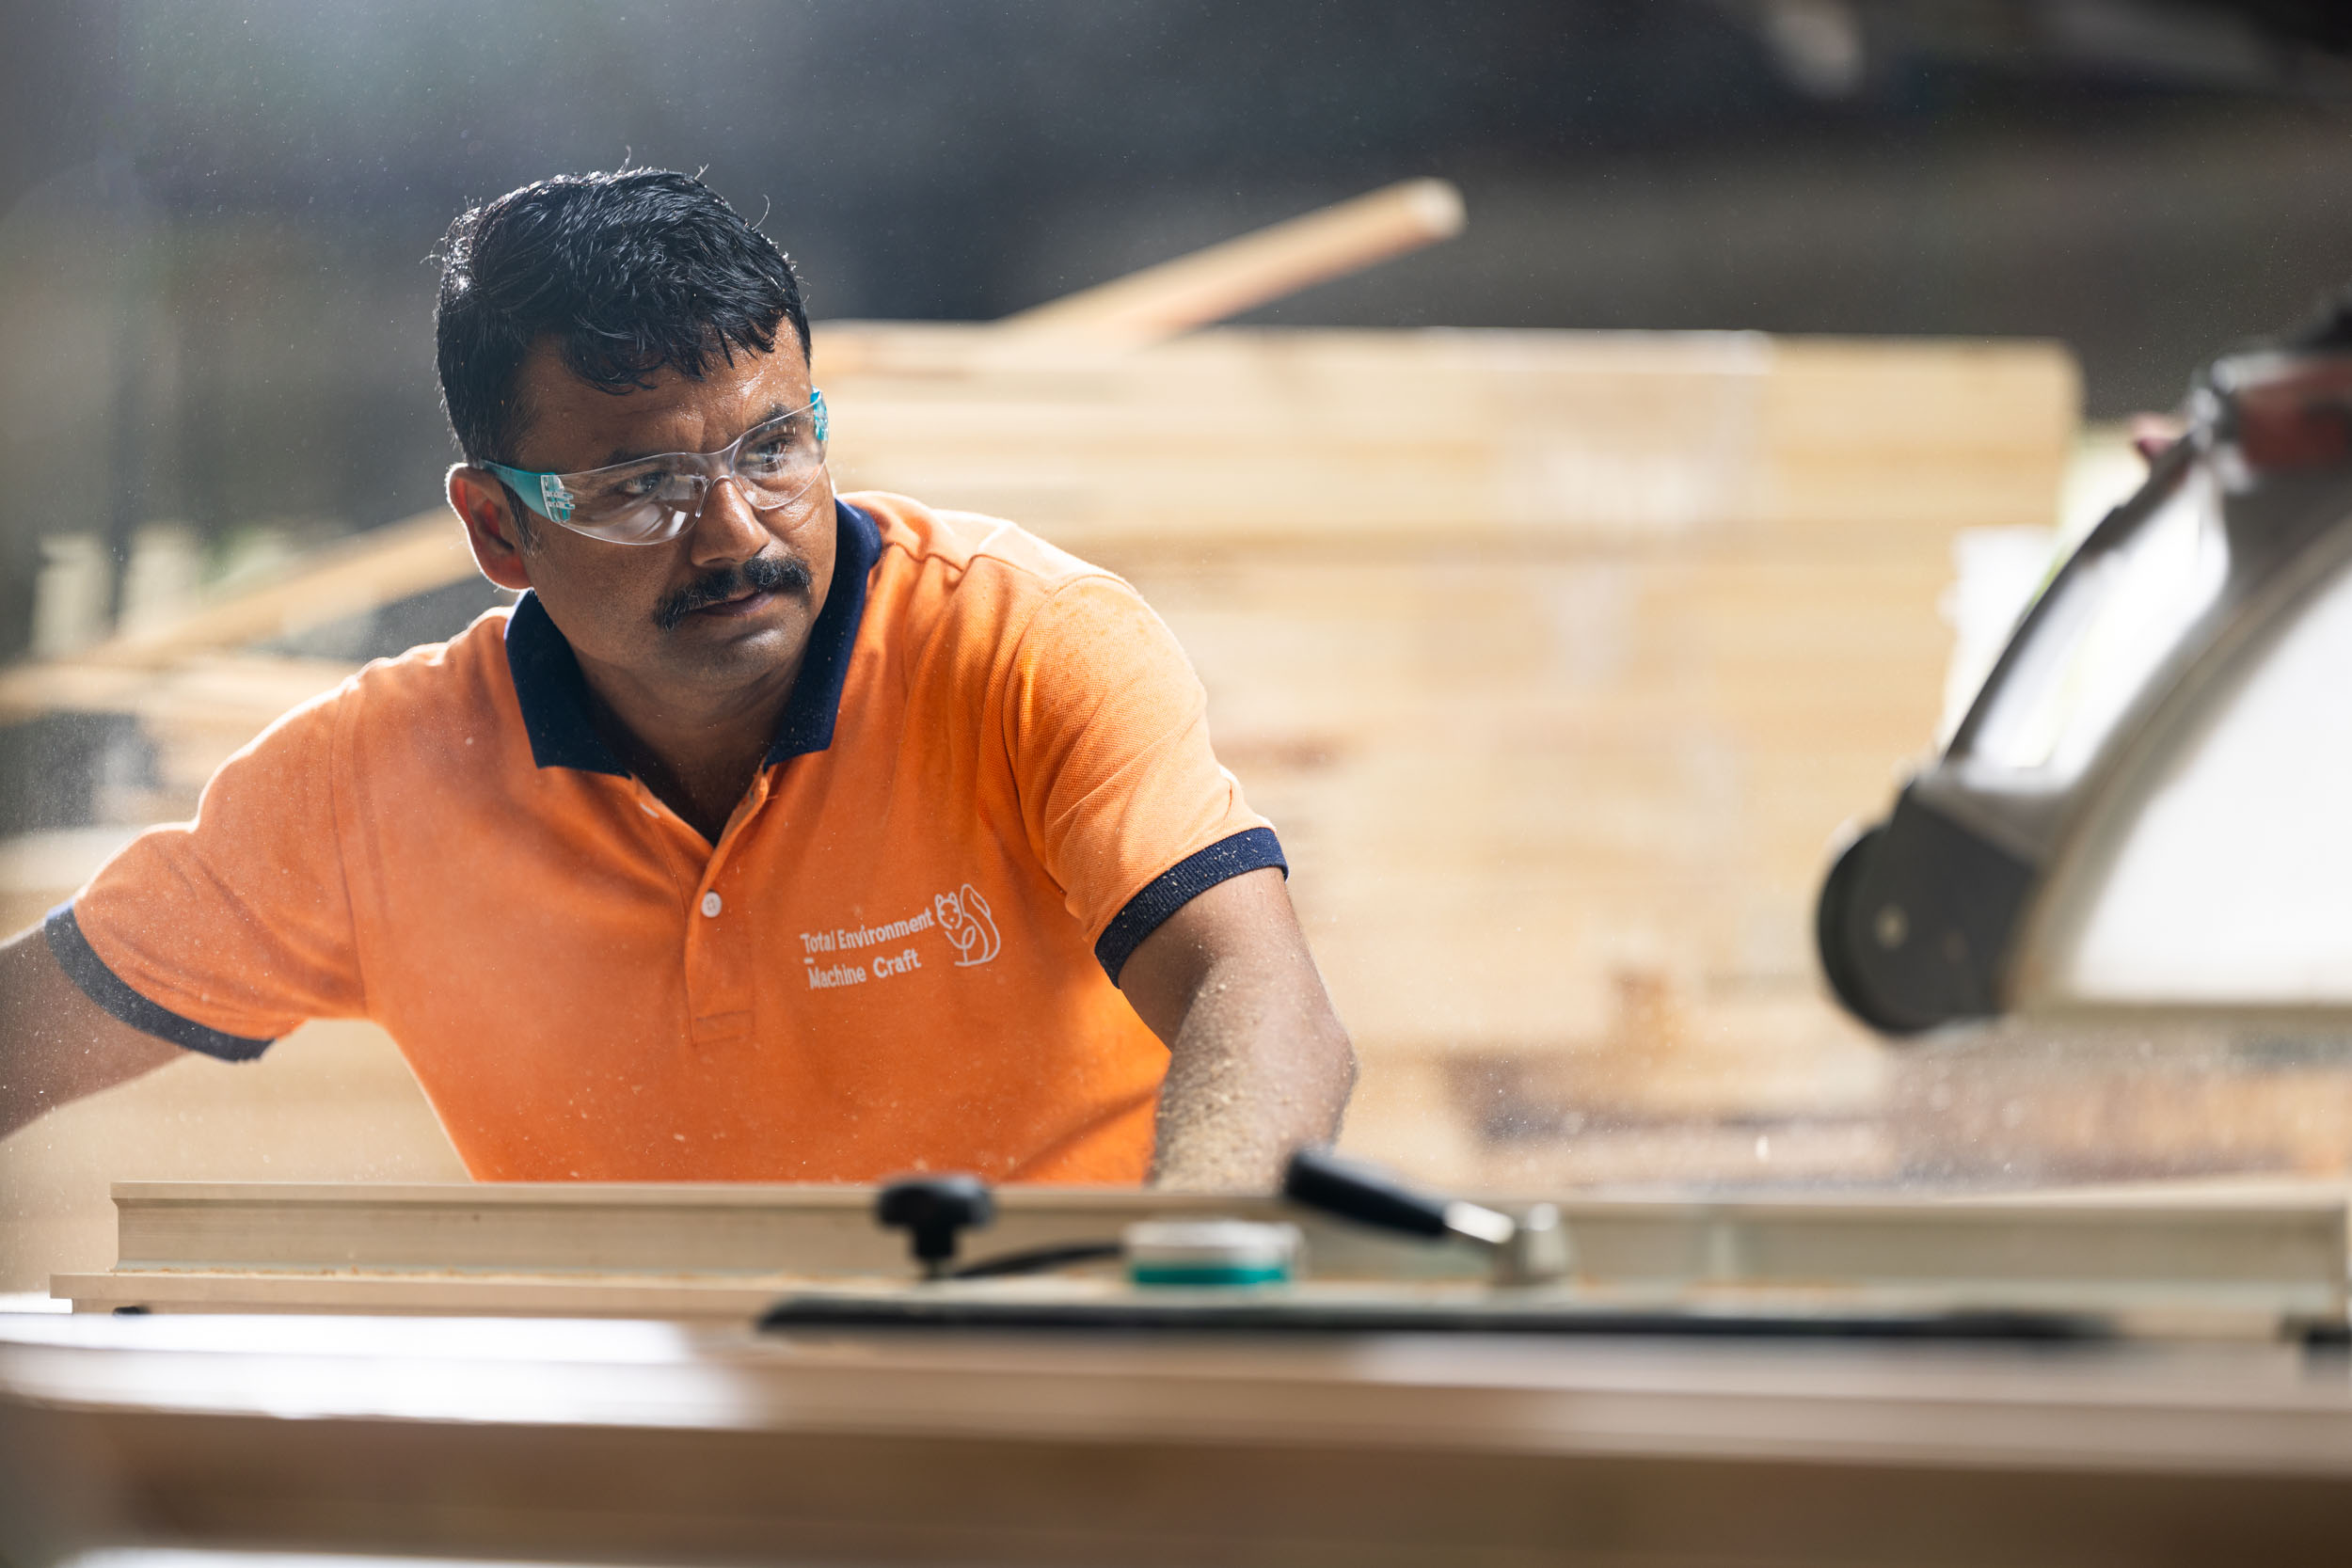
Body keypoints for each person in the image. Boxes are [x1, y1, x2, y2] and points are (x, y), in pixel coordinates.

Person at [0, 168, 1355, 1189]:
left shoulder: (1020, 647)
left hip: (1065, 1395)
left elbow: (1260, 994)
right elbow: (29, 1029)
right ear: (495, 527)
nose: (735, 533)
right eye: (642, 486)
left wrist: (1202, 1264)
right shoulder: (372, 787)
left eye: (773, 449)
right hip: (643, 1441)